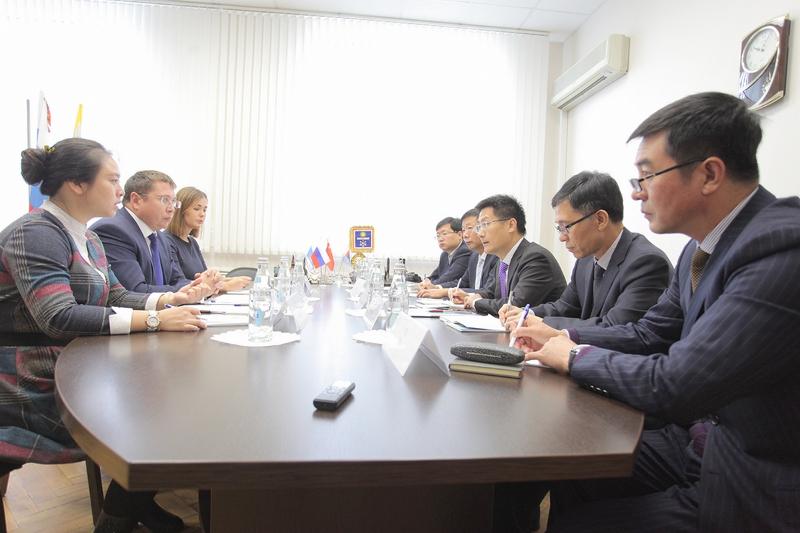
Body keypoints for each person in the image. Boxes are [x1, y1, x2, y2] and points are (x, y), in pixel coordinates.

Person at [509, 92, 800, 531]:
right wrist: (562, 337)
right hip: (695, 444)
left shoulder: (780, 248)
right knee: (563, 462)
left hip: (749, 477)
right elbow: (647, 334)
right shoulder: (698, 251)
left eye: (647, 175)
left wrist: (573, 355)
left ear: (709, 174)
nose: (636, 192)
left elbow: (678, 382)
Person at [0, 138, 207, 533]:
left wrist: (169, 301)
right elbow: (57, 316)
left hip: (75, 361)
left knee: (169, 405)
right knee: (161, 416)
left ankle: (126, 511)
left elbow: (115, 295)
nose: (119, 190)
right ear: (77, 184)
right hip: (27, 375)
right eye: (112, 180)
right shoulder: (36, 232)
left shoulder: (88, 237)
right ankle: (119, 519)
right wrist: (154, 321)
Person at [499, 171, 672, 329]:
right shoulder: (586, 260)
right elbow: (565, 307)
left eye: (566, 226)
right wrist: (527, 314)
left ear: (600, 219)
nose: (562, 237)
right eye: (559, 228)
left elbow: (615, 327)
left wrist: (542, 323)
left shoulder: (646, 263)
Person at [91, 171, 221, 294]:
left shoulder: (160, 237)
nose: (171, 209)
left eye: (173, 202)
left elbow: (177, 280)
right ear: (136, 201)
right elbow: (135, 291)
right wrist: (194, 289)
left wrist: (202, 284)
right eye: (164, 200)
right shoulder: (113, 231)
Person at [451, 195, 565, 316]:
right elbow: (489, 292)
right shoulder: (503, 260)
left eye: (485, 224)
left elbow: (514, 304)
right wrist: (470, 296)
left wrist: (476, 302)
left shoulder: (536, 258)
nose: (480, 233)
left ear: (511, 225)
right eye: (478, 227)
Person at [164, 186, 251, 293]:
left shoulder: (192, 242)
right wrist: (225, 286)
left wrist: (224, 280)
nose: (202, 214)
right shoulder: (167, 241)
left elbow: (205, 277)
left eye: (204, 210)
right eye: (197, 209)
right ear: (181, 210)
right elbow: (178, 283)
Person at [417, 208, 498, 298]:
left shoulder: (495, 256)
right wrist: (434, 286)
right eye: (464, 230)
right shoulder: (474, 256)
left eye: (470, 228)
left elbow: (488, 292)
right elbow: (462, 282)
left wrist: (445, 291)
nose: (465, 235)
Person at [418, 216, 470, 288]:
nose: (440, 239)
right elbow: (435, 276)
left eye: (444, 234)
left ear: (459, 235)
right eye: (438, 235)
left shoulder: (465, 251)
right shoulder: (444, 254)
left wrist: (429, 285)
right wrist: (424, 282)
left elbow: (448, 278)